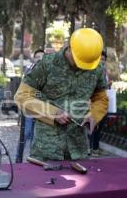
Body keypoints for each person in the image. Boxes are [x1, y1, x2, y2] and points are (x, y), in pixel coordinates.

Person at [15, 28, 108, 161]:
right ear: (69, 48)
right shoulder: (46, 64)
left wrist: (93, 115)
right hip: (46, 150)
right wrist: (53, 113)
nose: (83, 67)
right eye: (79, 60)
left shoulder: (96, 69)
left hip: (78, 150)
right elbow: (21, 96)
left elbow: (101, 98)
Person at [16, 49, 45, 162]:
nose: (39, 59)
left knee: (35, 136)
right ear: (34, 58)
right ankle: (18, 159)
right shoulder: (29, 70)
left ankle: (32, 160)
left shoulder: (48, 72)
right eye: (37, 57)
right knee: (26, 133)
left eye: (42, 57)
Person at [90, 50, 109, 156]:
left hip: (103, 102)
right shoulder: (93, 71)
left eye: (103, 59)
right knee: (93, 125)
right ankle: (91, 148)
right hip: (94, 103)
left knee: (100, 126)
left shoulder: (105, 72)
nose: (102, 61)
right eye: (100, 59)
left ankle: (96, 147)